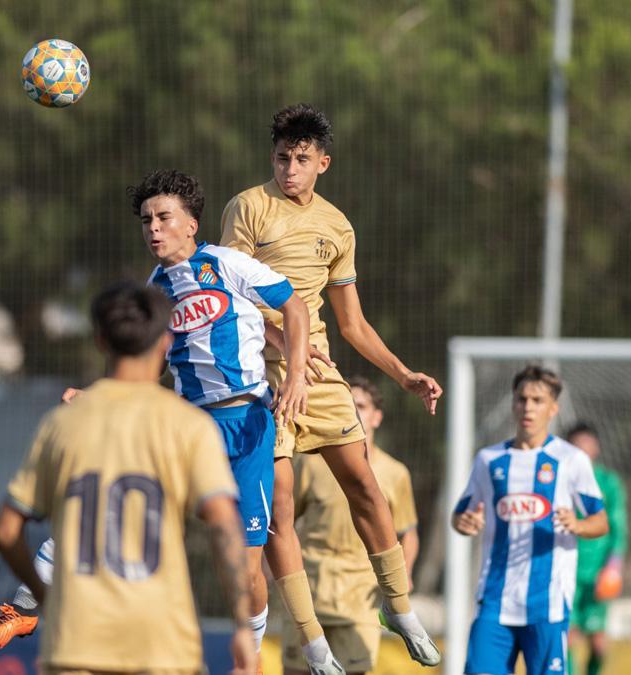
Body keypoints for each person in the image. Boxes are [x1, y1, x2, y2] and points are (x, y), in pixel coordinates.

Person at [0, 170, 348, 673]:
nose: (153, 228)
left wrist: (297, 377)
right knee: (109, 490)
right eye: (147, 220)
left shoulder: (229, 263)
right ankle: (24, 604)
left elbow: (295, 306)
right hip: (188, 427)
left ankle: (252, 653)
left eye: (164, 217)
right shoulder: (155, 290)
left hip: (246, 423)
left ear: (192, 223)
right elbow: (144, 367)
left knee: (244, 566)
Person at [220, 103, 442, 666]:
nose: (288, 168)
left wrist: (404, 374)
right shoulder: (247, 207)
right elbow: (230, 297)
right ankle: (313, 642)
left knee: (366, 484)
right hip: (257, 377)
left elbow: (353, 324)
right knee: (279, 512)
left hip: (316, 373)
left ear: (324, 162)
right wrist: (284, 353)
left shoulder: (337, 225)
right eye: (280, 157)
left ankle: (397, 604)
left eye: (300, 159)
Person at [0, 282, 255, 674]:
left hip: (76, 640)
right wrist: (242, 625)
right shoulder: (188, 425)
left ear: (100, 340)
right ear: (166, 340)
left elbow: (6, 530)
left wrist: (43, 594)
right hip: (161, 642)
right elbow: (224, 526)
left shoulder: (63, 424)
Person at [451, 366, 610, 675]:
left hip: (547, 602)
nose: (528, 407)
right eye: (522, 399)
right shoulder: (489, 459)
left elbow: (601, 521)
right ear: (513, 403)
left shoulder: (571, 460)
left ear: (553, 408)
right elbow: (460, 514)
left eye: (537, 400)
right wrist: (464, 522)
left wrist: (578, 525)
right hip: (495, 598)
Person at [281, 376, 422, 675]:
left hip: (360, 597)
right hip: (312, 591)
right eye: (349, 404)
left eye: (361, 405)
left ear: (376, 416)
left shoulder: (395, 473)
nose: (355, 411)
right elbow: (282, 523)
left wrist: (403, 577)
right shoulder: (310, 463)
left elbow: (408, 533)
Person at [566, 423, 627, 675]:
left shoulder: (608, 483)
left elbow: (619, 528)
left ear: (596, 448)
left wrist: (613, 567)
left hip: (597, 576)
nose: (580, 451)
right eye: (574, 445)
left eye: (585, 444)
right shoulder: (559, 480)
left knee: (599, 644)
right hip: (565, 573)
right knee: (566, 639)